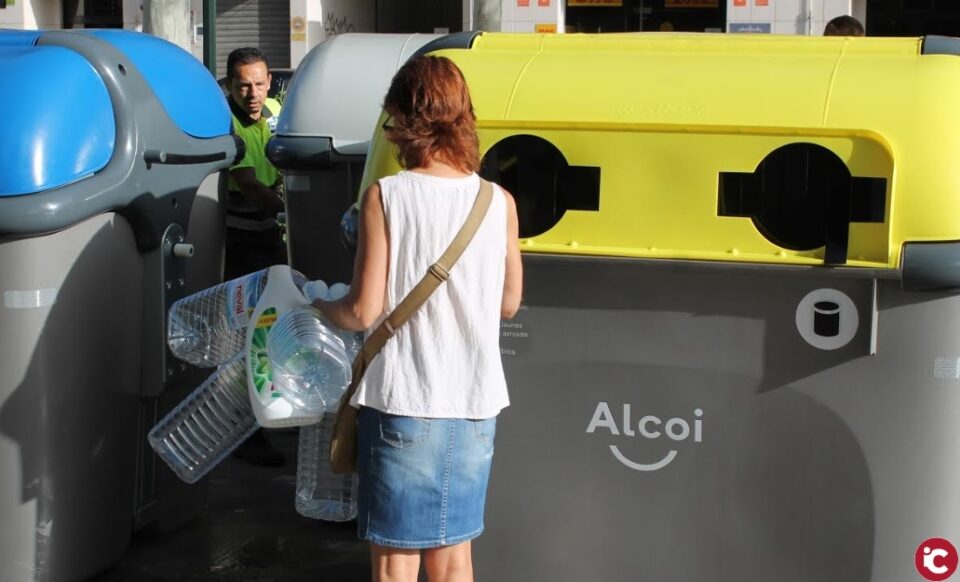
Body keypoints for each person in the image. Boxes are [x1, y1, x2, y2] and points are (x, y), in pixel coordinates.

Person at [313, 55, 523, 582]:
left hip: (407, 402)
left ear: (406, 120)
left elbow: (362, 310)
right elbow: (508, 303)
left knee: (395, 565)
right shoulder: (497, 201)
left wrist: (318, 305)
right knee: (454, 562)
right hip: (475, 409)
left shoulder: (386, 196)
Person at [225, 46, 287, 466]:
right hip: (241, 243)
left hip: (272, 239)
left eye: (260, 83)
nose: (253, 93)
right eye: (244, 84)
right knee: (246, 336)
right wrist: (292, 207)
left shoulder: (276, 110)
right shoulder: (226, 124)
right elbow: (249, 185)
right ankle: (245, 433)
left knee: (274, 328)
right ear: (230, 85)